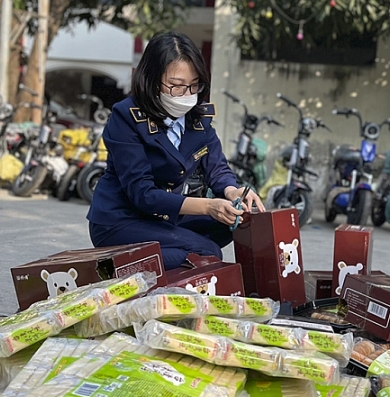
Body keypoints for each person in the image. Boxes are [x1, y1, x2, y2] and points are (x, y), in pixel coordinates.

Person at [87, 31, 264, 270]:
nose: (187, 95)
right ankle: (116, 269)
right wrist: (208, 206)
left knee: (235, 221)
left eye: (194, 86)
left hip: (165, 219)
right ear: (151, 79)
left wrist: (233, 191)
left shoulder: (198, 119)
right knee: (206, 253)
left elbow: (217, 167)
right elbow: (143, 194)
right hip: (122, 221)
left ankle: (169, 258)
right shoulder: (125, 117)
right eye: (176, 86)